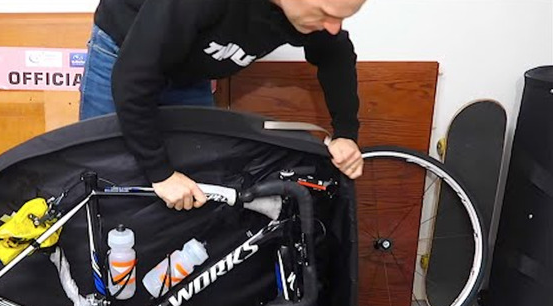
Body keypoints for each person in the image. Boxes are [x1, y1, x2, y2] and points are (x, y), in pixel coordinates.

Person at [79, 0, 366, 211]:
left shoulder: (312, 18)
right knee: (106, 180)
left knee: (199, 187)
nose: (333, 27)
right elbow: (134, 77)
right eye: (327, 14)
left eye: (342, 18)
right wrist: (161, 173)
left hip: (189, 71)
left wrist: (345, 133)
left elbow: (336, 56)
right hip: (126, 53)